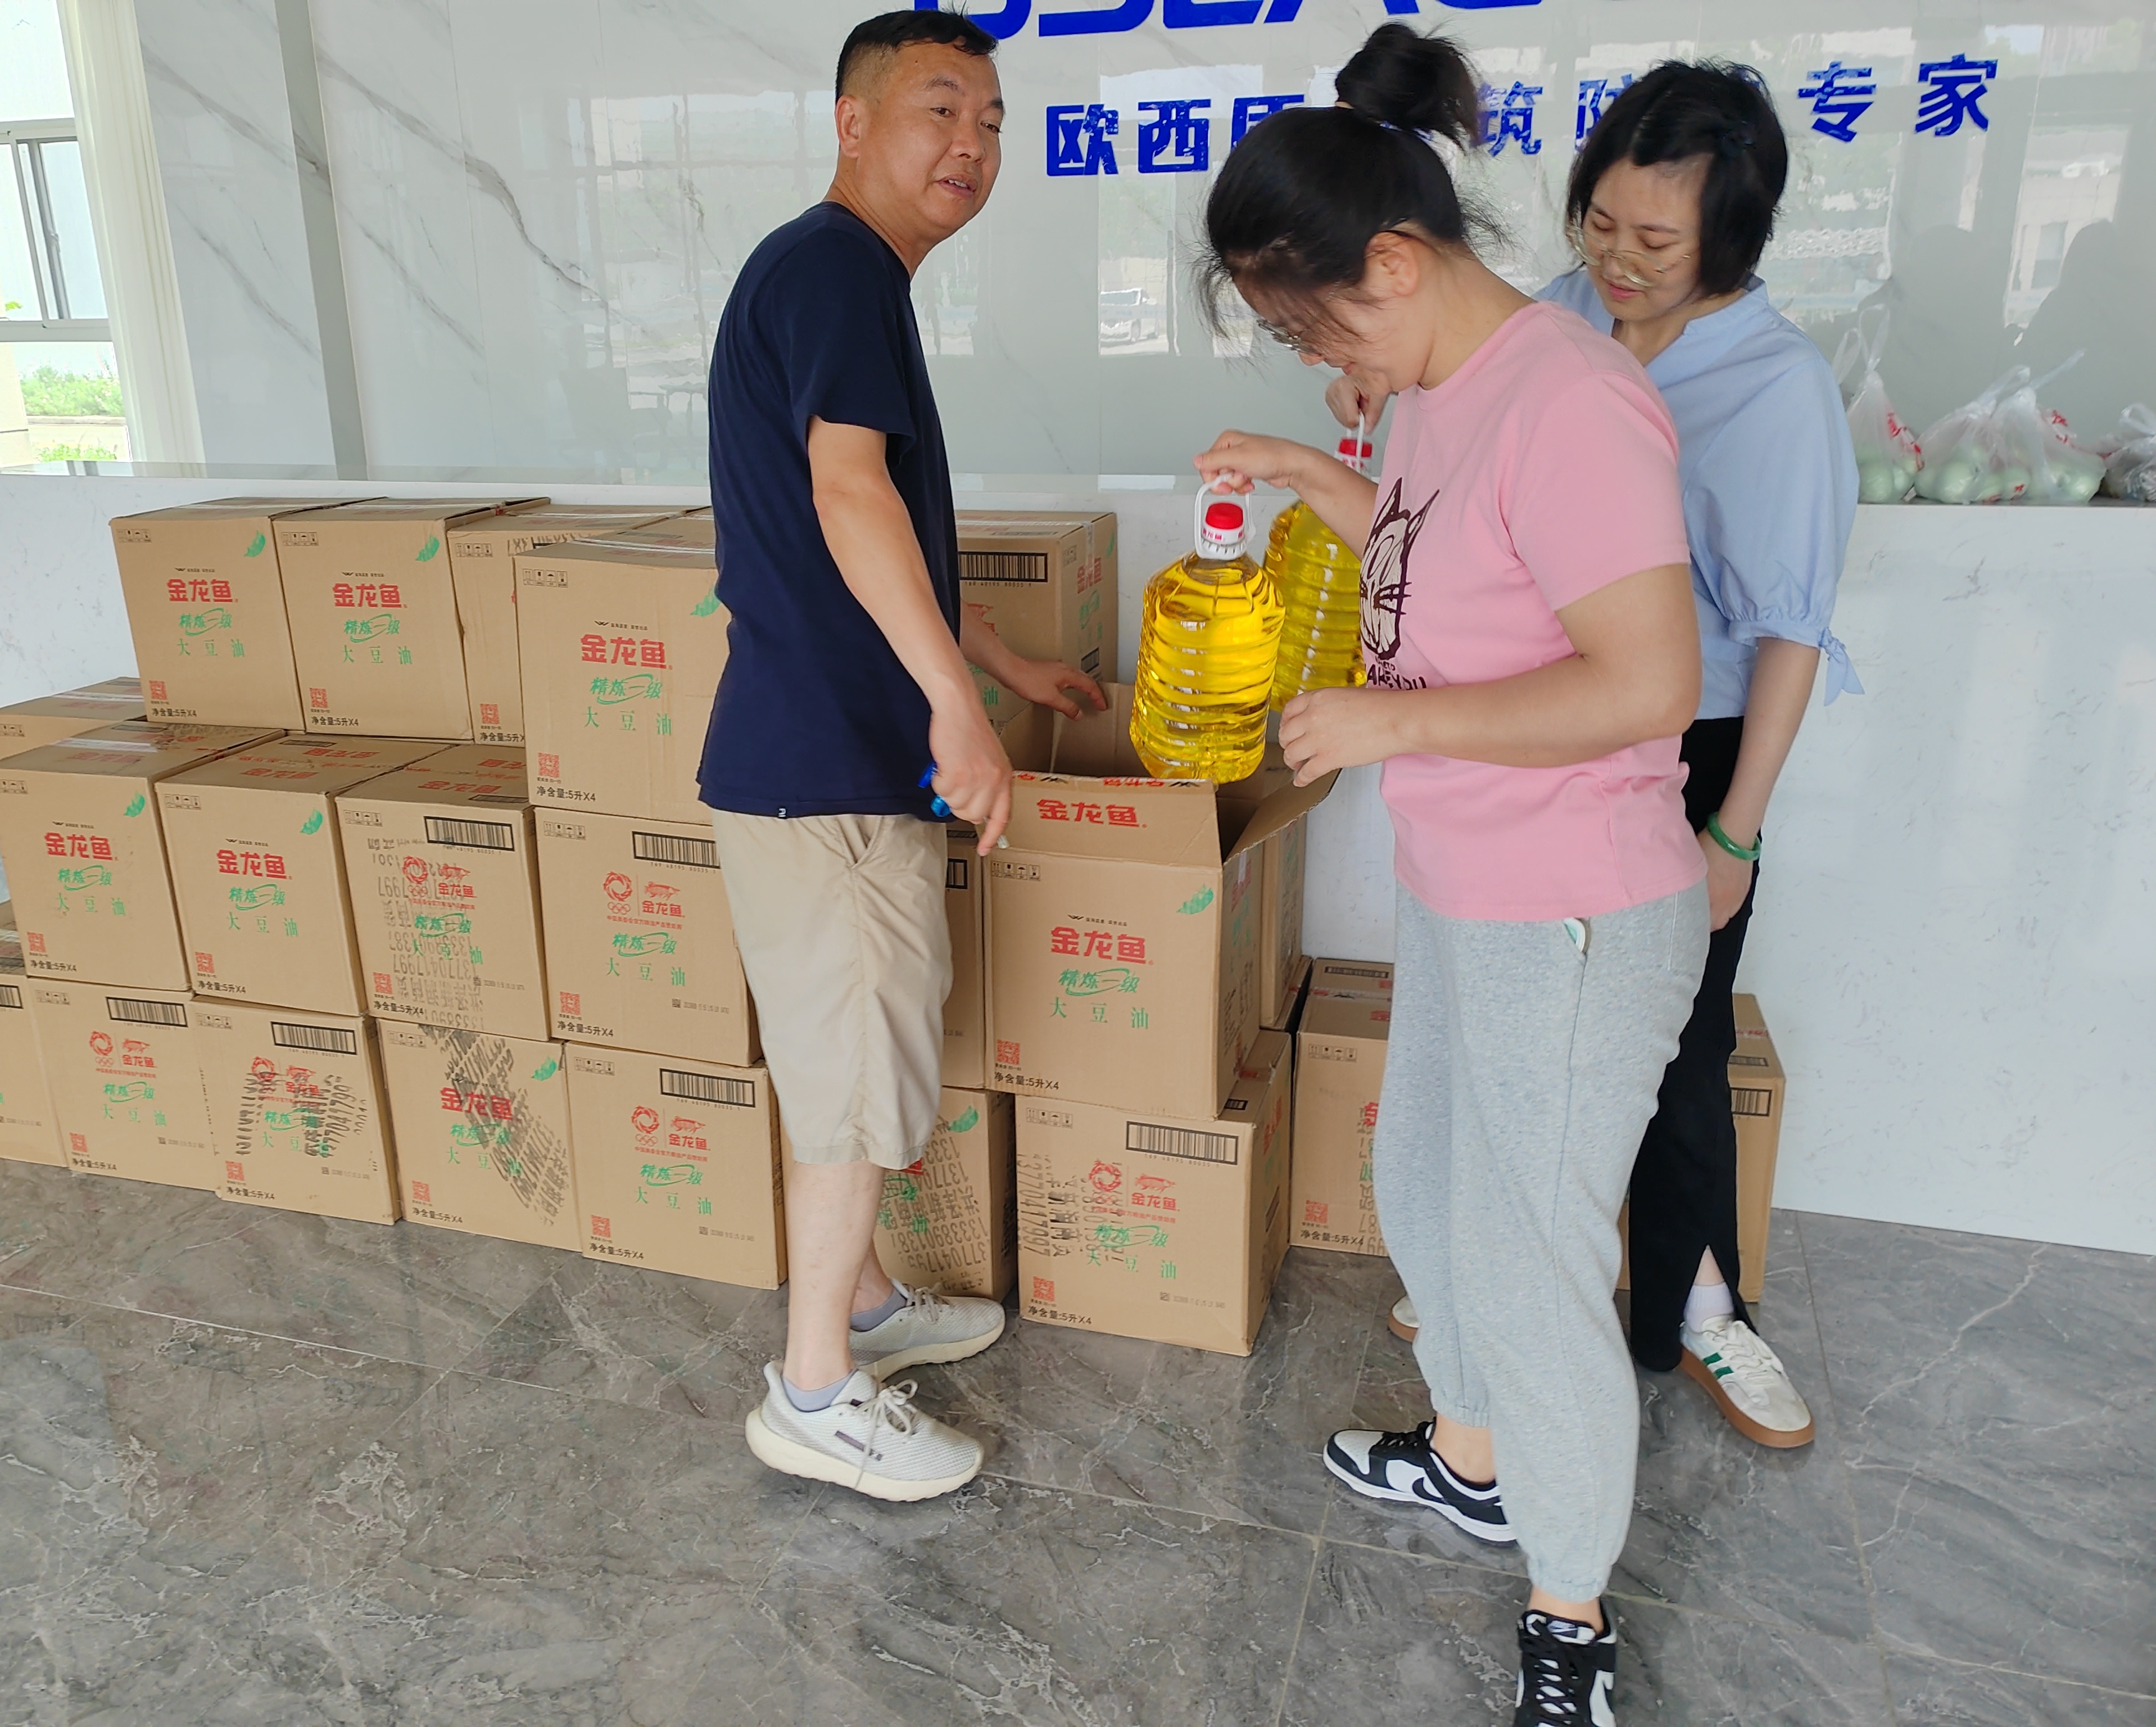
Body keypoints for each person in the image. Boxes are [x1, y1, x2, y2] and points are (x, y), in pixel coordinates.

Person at [1193, 26, 1709, 1725]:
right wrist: (1313, 479)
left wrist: (1396, 726)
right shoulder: (1434, 392)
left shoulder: (1574, 403)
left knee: (1528, 1258)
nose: (1315, 361)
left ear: (1396, 262)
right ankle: (1476, 1463)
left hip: (1572, 910)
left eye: (1312, 328)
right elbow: (1433, 555)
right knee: (1425, 1187)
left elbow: (1644, 681)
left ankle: (1570, 1621)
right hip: (1470, 881)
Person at [1344, 64, 1858, 1450]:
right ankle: (1491, 1308)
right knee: (1502, 1048)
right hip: (1532, 715)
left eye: (1656, 241)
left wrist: (1734, 828)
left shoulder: (1776, 386)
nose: (1617, 262)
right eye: (1599, 226)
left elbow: (1790, 632)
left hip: (1688, 739)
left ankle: (1700, 1303)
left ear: (1728, 241)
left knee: (1675, 1045)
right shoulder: (1555, 322)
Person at [699, 9, 1104, 1502]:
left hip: (814, 750)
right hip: (828, 762)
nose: (972, 145)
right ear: (852, 123)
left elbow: (868, 538)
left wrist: (996, 662)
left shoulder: (837, 276)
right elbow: (848, 493)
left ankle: (865, 1303)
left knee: (844, 1056)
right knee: (855, 1073)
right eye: (941, 109)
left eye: (991, 121)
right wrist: (955, 707)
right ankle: (813, 1391)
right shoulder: (837, 270)